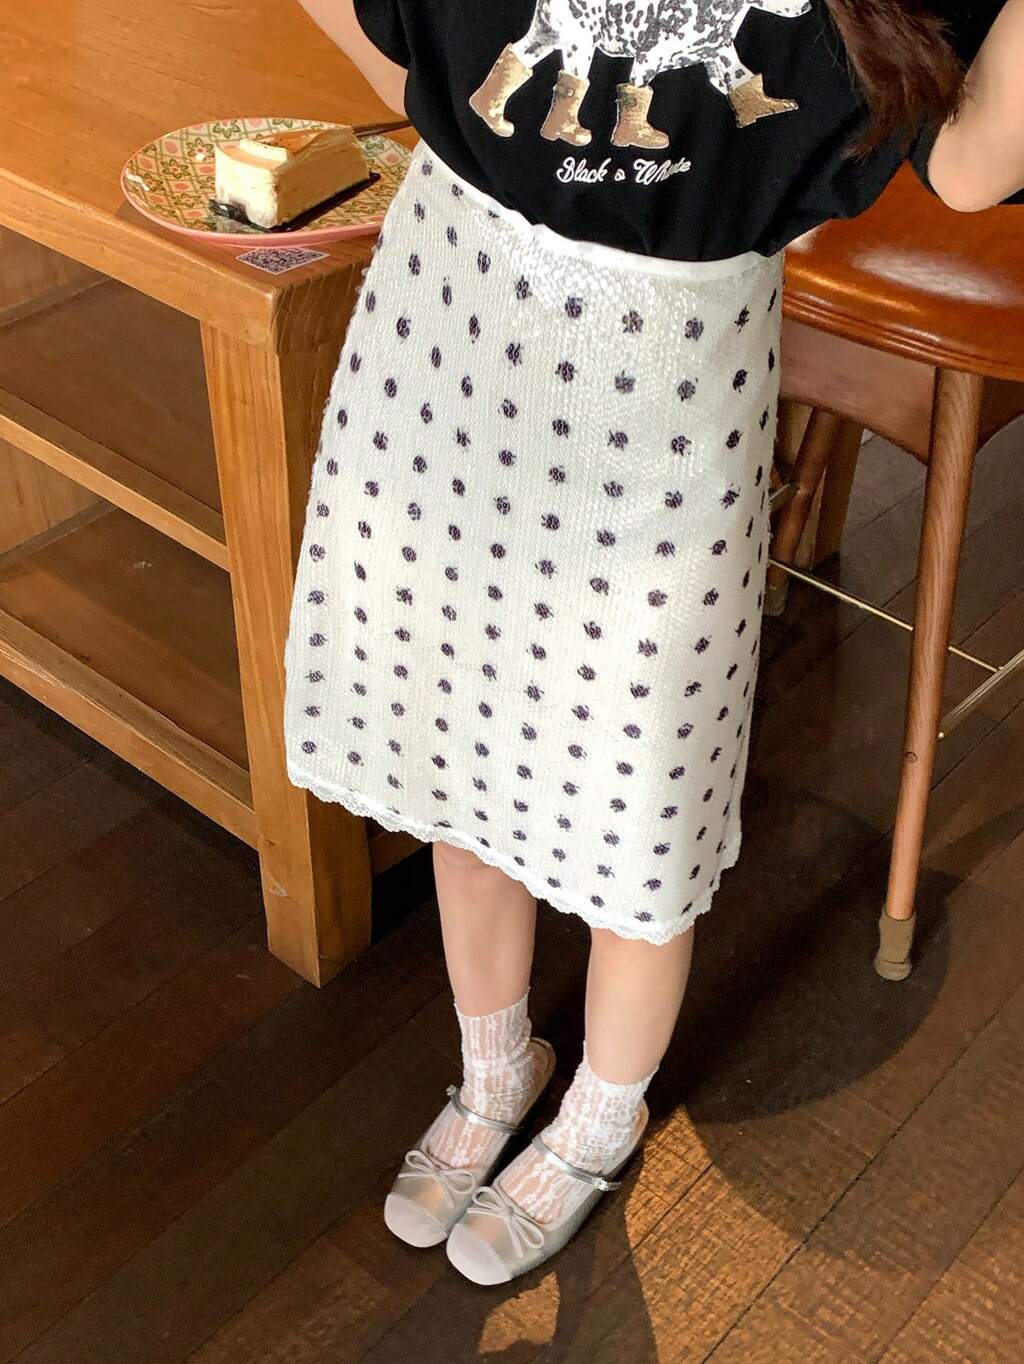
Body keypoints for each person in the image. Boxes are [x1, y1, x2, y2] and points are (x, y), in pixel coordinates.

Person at [283, 0, 1024, 1284]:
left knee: (638, 804)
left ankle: (599, 1117)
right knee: (457, 765)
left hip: (663, 415)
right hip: (447, 346)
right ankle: (495, 1063)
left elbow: (968, 166)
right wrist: (449, 112)